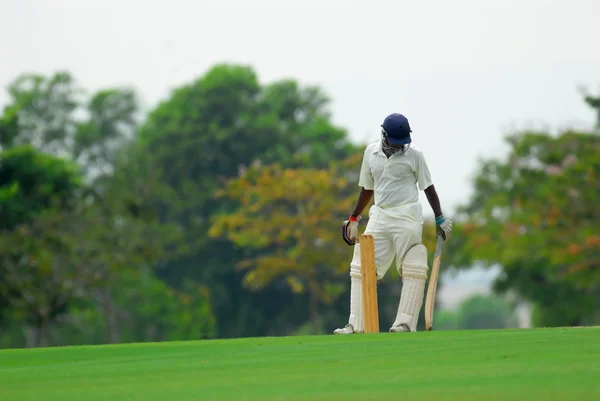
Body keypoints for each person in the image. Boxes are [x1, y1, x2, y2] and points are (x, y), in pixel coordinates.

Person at [335, 113, 452, 334]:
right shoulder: (371, 152)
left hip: (407, 215)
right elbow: (367, 188)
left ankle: (404, 324)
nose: (400, 147)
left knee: (413, 265)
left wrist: (439, 218)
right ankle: (355, 324)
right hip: (380, 215)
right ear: (384, 135)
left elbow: (428, 187)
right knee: (361, 264)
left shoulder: (415, 155)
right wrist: (353, 217)